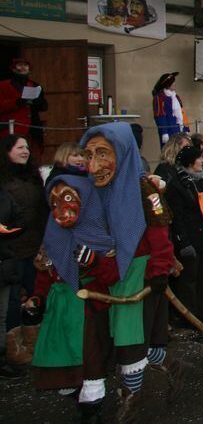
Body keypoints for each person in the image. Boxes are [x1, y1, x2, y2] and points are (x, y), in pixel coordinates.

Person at [79, 122, 180, 418]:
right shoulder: (92, 191)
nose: (94, 164)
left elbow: (160, 232)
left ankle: (130, 398)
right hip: (104, 272)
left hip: (138, 273)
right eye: (89, 154)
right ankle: (172, 366)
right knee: (112, 338)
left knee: (130, 338)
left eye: (102, 154)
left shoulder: (146, 190)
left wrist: (160, 268)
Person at [27, 166, 116, 418]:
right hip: (61, 311)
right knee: (66, 361)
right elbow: (45, 273)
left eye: (67, 200)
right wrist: (37, 298)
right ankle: (79, 396)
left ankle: (92, 409)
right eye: (54, 202)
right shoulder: (53, 234)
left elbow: (112, 275)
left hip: (88, 308)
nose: (61, 210)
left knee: (90, 361)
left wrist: (95, 262)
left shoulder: (97, 232)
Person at [1, 134, 46, 360]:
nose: (25, 151)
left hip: (33, 246)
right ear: (7, 151)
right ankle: (13, 349)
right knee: (10, 302)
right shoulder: (3, 180)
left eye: (27, 147)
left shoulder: (33, 177)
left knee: (35, 295)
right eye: (20, 147)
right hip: (11, 248)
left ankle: (33, 344)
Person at [166, 145, 203, 326]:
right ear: (190, 161)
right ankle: (188, 314)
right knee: (189, 278)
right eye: (199, 158)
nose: (202, 161)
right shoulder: (177, 184)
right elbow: (178, 216)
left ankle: (202, 310)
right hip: (190, 236)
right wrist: (183, 241)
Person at [0, 188, 25, 379]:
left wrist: (7, 230)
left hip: (4, 262)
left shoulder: (4, 195)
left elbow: (19, 221)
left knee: (2, 313)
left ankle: (1, 360)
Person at [0, 58, 47, 156]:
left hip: (33, 127)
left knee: (34, 155)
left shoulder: (34, 85)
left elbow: (44, 106)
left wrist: (37, 101)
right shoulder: (3, 85)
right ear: (13, 69)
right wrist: (17, 102)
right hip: (13, 127)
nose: (23, 67)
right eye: (19, 65)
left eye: (25, 65)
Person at [152, 72, 187, 145]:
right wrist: (164, 132)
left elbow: (182, 113)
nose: (175, 84)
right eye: (173, 83)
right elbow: (160, 116)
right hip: (169, 131)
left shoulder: (176, 97)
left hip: (179, 130)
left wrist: (186, 128)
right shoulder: (159, 97)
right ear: (168, 84)